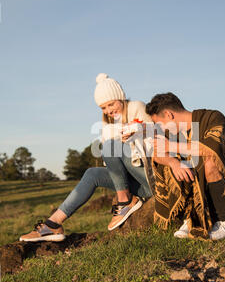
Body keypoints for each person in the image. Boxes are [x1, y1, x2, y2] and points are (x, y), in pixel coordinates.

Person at [19, 73, 154, 242]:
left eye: (111, 104)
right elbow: (111, 162)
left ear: (121, 97)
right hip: (136, 183)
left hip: (151, 176)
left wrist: (135, 132)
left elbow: (157, 135)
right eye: (103, 108)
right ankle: (53, 225)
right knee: (92, 173)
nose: (109, 111)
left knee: (111, 146)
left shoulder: (137, 107)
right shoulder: (108, 124)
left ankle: (125, 202)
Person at [145, 92, 225, 240]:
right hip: (196, 179)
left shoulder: (212, 117)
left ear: (169, 115)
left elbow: (210, 149)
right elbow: (157, 154)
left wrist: (170, 145)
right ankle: (191, 219)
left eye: (159, 124)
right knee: (171, 163)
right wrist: (173, 163)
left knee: (210, 161)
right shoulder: (173, 132)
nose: (161, 128)